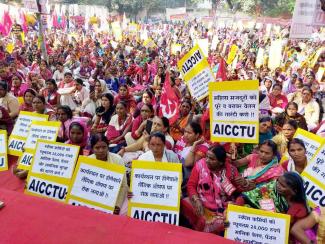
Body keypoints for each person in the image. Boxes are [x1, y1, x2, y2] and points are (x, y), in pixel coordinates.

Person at [181, 146, 240, 234]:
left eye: (212, 159)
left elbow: (237, 192)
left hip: (222, 208)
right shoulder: (200, 164)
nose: (207, 160)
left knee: (224, 223)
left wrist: (242, 184)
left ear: (220, 162)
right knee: (184, 203)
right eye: (207, 156)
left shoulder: (231, 171)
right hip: (202, 203)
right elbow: (191, 185)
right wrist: (197, 200)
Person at [236, 172, 309, 226]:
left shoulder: (300, 207)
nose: (277, 185)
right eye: (278, 182)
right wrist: (235, 211)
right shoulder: (270, 188)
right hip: (251, 223)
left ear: (294, 191)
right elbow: (243, 197)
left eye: (282, 186)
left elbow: (287, 227)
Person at [89, 133, 128, 215]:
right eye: (97, 148)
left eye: (104, 147)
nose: (101, 150)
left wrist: (117, 205)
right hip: (95, 196)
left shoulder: (117, 160)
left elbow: (123, 185)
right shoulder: (88, 161)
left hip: (117, 195)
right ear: (92, 149)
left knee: (122, 213)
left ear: (108, 147)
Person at [174, 122, 209, 193]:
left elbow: (188, 163)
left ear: (197, 135)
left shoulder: (203, 147)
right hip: (177, 176)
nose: (185, 135)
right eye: (185, 132)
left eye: (189, 133)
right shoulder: (182, 140)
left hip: (189, 183)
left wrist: (194, 145)